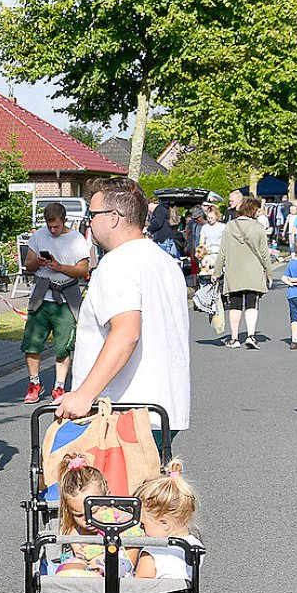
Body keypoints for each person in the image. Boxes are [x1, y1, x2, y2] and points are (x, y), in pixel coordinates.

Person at [57, 178, 192, 432]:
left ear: (113, 217)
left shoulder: (118, 263)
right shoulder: (164, 261)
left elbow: (127, 333)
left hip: (121, 412)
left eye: (92, 214)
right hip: (162, 408)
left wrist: (85, 394)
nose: (90, 222)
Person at [21, 201, 92, 403]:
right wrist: (39, 263)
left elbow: (83, 270)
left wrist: (60, 267)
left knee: (63, 346)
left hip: (66, 296)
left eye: (56, 227)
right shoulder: (38, 236)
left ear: (64, 221)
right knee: (32, 344)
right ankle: (34, 383)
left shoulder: (76, 239)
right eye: (49, 226)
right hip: (41, 295)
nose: (52, 230)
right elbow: (29, 264)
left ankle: (59, 386)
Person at [217, 195, 272, 348]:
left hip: (233, 271)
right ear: (253, 211)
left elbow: (222, 252)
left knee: (234, 304)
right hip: (254, 271)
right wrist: (269, 273)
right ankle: (251, 335)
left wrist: (216, 273)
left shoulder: (229, 226)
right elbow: (264, 254)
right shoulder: (258, 228)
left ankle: (234, 338)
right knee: (251, 304)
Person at [131, 460, 201, 580]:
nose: (142, 531)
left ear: (164, 523)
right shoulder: (194, 546)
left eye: (143, 525)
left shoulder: (152, 553)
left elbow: (138, 590)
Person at [53, 455, 111, 576]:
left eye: (94, 512)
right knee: (69, 570)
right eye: (79, 515)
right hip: (83, 570)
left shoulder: (116, 522)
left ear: (108, 497)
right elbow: (81, 555)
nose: (88, 520)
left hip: (112, 568)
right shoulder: (72, 530)